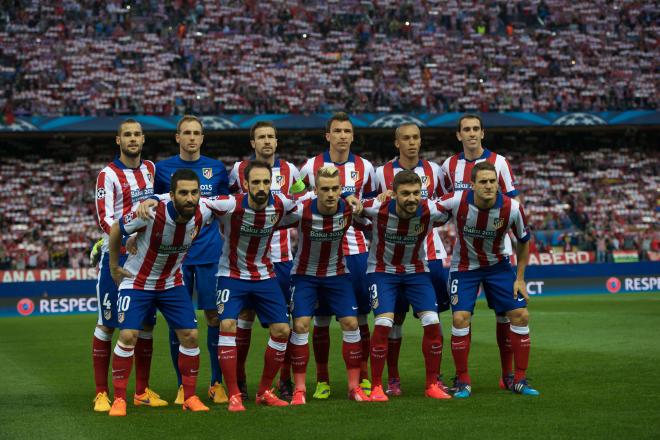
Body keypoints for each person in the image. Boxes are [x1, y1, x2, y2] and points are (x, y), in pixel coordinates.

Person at [106, 169, 212, 416]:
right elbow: (115, 230)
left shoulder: (204, 209)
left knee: (191, 335)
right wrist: (114, 266)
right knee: (129, 335)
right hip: (137, 282)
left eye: (194, 192)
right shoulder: (151, 212)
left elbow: (232, 204)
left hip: (170, 283)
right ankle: (120, 399)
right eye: (183, 193)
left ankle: (190, 396)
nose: (190, 198)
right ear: (172, 195)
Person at [438, 161, 539, 397]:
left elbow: (524, 241)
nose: (488, 185)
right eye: (483, 181)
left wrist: (520, 279)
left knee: (520, 315)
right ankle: (463, 380)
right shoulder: (457, 200)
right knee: (460, 318)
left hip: (498, 267)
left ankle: (519, 379)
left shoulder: (512, 208)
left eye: (492, 181)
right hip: (464, 268)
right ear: (472, 184)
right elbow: (426, 208)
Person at [299, 112, 376, 399]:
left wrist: (361, 204)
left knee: (360, 317)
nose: (343, 135)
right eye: (337, 130)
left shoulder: (365, 167)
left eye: (347, 131)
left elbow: (371, 204)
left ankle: (363, 377)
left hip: (355, 250)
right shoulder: (310, 167)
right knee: (319, 319)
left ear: (353, 136)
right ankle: (322, 380)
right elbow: (298, 198)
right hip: (319, 251)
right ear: (327, 135)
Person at [440, 114, 520, 390]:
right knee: (461, 316)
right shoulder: (449, 166)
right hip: (465, 254)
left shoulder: (499, 163)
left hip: (499, 253)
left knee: (505, 315)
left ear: (483, 133)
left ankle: (508, 375)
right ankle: (462, 378)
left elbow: (513, 202)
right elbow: (441, 203)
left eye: (476, 129)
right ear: (459, 135)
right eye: (466, 129)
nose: (471, 133)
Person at [153, 115, 229, 404]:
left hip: (210, 254)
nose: (192, 137)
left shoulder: (217, 169)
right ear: (177, 137)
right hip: (176, 258)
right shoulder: (162, 170)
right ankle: (183, 386)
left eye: (197, 133)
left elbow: (224, 208)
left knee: (214, 317)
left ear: (202, 137)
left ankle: (215, 383)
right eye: (186, 133)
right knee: (178, 323)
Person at [359, 170, 452, 402]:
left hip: (416, 272)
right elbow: (354, 206)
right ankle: (379, 386)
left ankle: (432, 384)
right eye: (405, 194)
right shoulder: (377, 207)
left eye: (415, 193)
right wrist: (353, 202)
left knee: (432, 321)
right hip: (382, 271)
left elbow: (452, 209)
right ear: (393, 194)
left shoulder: (429, 209)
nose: (412, 198)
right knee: (383, 322)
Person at [92, 119, 165, 412]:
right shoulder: (107, 175)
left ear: (143, 139)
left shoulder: (151, 169)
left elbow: (159, 204)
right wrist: (128, 235)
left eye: (137, 134)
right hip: (118, 255)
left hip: (146, 258)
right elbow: (104, 218)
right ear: (118, 141)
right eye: (127, 135)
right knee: (107, 325)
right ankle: (101, 392)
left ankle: (141, 390)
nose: (132, 139)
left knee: (146, 323)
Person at [282, 166, 370, 404]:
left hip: (337, 274)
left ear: (341, 190)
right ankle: (300, 389)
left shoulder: (349, 209)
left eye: (335, 189)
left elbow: (373, 213)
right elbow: (275, 214)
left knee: (352, 323)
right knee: (300, 326)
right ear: (315, 190)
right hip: (304, 276)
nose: (330, 194)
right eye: (325, 189)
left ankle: (354, 387)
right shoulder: (301, 210)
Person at [374, 122, 449, 396]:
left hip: (430, 254)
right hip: (393, 259)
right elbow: (368, 206)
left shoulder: (435, 171)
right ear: (397, 143)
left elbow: (444, 206)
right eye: (405, 138)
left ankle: (436, 377)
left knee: (434, 317)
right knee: (395, 319)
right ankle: (392, 378)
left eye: (416, 137)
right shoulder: (380, 173)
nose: (411, 142)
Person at [228, 121, 300, 400]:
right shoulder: (238, 170)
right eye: (261, 137)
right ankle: (241, 377)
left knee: (284, 323)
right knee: (243, 318)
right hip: (245, 260)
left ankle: (283, 381)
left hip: (281, 259)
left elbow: (300, 198)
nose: (267, 141)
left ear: (276, 141)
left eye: (271, 136)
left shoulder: (291, 171)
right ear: (253, 143)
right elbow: (231, 200)